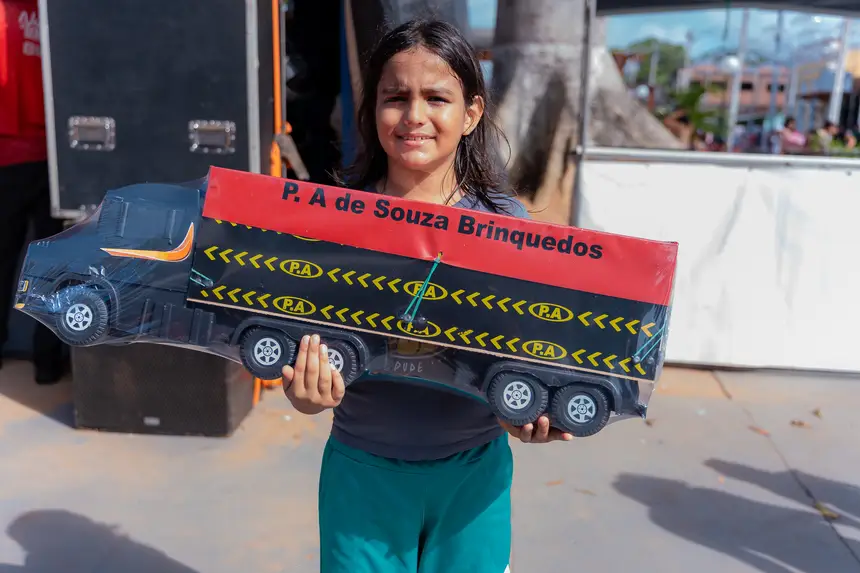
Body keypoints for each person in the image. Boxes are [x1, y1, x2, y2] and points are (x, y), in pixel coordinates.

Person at [280, 19, 572, 573]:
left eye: (436, 98)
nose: (414, 115)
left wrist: (528, 411)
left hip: (473, 479)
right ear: (373, 110)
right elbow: (303, 356)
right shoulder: (335, 221)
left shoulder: (507, 226)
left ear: (471, 114)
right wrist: (305, 395)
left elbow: (528, 352)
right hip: (361, 475)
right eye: (396, 97)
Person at [0, 0, 67, 383]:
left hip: (8, 156)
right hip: (53, 156)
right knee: (52, 263)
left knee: (2, 259)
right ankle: (48, 363)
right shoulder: (55, 11)